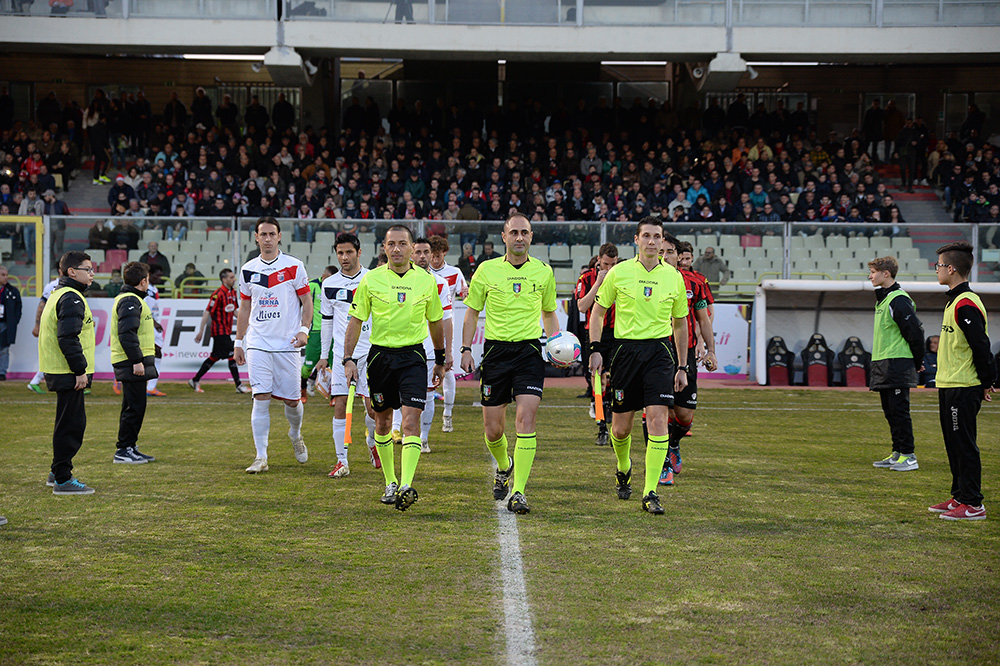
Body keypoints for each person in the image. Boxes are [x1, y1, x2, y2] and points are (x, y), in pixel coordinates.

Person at [588, 218, 689, 515]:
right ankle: (624, 467)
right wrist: (595, 349)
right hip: (625, 352)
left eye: (657, 237)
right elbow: (597, 313)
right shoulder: (618, 273)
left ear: (662, 242)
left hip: (659, 351)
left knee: (658, 421)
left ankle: (650, 492)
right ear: (636, 240)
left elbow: (681, 324)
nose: (652, 242)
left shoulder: (673, 276)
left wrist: (682, 366)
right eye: (646, 236)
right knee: (620, 430)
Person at [460, 213, 559, 514]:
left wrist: (556, 346)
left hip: (529, 352)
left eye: (524, 232)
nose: (519, 237)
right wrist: (466, 349)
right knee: (493, 431)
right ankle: (505, 465)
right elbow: (472, 312)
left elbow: (550, 313)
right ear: (503, 237)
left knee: (526, 421)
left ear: (531, 236)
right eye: (513, 232)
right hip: (495, 354)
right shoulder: (486, 271)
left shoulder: (544, 272)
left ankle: (519, 492)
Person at [344, 225, 445, 511]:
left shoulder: (426, 281)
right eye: (392, 244)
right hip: (380, 359)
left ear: (413, 248)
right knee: (383, 422)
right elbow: (355, 320)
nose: (397, 249)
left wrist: (439, 359)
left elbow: (435, 322)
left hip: (413, 357)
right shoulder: (371, 280)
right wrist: (347, 359)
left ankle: (406, 484)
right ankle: (390, 481)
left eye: (403, 243)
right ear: (384, 248)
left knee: (411, 421)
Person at [234, 217, 312, 474]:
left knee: (292, 401)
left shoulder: (294, 266)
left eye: (271, 234)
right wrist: (239, 341)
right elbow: (245, 307)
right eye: (262, 234)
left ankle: (295, 433)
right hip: (258, 343)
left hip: (288, 344)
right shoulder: (247, 269)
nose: (267, 239)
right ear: (256, 238)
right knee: (261, 397)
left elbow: (307, 302)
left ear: (279, 237)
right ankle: (261, 456)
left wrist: (303, 330)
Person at [928, 242, 995, 521]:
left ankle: (973, 502)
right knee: (953, 444)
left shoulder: (966, 303)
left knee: (964, 445)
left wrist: (987, 381)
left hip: (963, 386)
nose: (937, 270)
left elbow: (981, 346)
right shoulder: (954, 300)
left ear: (951, 268)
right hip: (949, 384)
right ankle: (959, 495)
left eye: (939, 266)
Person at [316, 233, 381, 478]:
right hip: (343, 356)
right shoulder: (329, 284)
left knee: (373, 410)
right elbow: (327, 323)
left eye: (349, 252)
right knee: (340, 406)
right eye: (340, 253)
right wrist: (325, 355)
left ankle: (372, 443)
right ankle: (341, 461)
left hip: (371, 352)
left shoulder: (373, 279)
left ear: (359, 252)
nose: (344, 257)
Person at [39, 251, 97, 495]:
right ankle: (62, 478)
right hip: (68, 373)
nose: (92, 273)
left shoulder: (60, 294)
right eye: (88, 269)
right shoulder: (71, 297)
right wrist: (79, 371)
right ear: (72, 271)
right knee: (71, 426)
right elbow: (67, 337)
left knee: (67, 423)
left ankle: (57, 472)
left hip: (63, 371)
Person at [659, 240, 717, 486]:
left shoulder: (695, 283)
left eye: (670, 252)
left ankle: (674, 443)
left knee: (684, 415)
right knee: (657, 410)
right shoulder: (643, 280)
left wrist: (710, 349)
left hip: (687, 352)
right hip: (657, 352)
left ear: (678, 255)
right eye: (661, 252)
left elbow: (703, 319)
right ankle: (662, 464)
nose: (665, 256)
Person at [868, 256, 925, 472]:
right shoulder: (883, 300)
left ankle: (909, 456)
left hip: (898, 363)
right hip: (884, 363)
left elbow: (916, 332)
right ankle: (898, 453)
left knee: (900, 411)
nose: (870, 276)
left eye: (873, 271)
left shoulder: (899, 299)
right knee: (890, 410)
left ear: (886, 274)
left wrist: (917, 361)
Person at [109, 262, 159, 465]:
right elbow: (127, 334)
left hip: (133, 362)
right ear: (143, 281)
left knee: (134, 406)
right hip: (132, 363)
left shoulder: (132, 299)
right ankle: (124, 449)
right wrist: (137, 361)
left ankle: (129, 446)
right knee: (134, 407)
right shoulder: (130, 300)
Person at [408, 237, 454, 453]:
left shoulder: (440, 283)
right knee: (401, 396)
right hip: (402, 347)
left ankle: (423, 438)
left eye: (426, 252)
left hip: (428, 350)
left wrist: (447, 352)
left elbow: (446, 320)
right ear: (411, 254)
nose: (422, 256)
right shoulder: (396, 281)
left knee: (427, 394)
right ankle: (402, 433)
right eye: (418, 252)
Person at [575, 243, 618, 447]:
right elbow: (582, 306)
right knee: (596, 379)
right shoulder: (586, 279)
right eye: (606, 264)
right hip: (594, 335)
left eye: (613, 264)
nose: (610, 268)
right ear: (599, 260)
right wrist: (598, 284)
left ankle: (616, 427)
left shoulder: (623, 276)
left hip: (618, 334)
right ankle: (601, 427)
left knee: (615, 380)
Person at [428, 235, 468, 433]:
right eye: (431, 255)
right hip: (423, 328)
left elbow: (465, 294)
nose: (434, 259)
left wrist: (466, 292)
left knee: (448, 368)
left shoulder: (454, 272)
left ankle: (447, 415)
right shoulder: (420, 273)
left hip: (445, 324)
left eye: (438, 255)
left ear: (445, 252)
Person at [189, 268, 250, 394]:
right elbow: (207, 312)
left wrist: (246, 321)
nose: (234, 279)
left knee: (214, 357)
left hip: (226, 330)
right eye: (231, 277)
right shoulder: (218, 294)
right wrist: (201, 330)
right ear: (224, 279)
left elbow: (233, 310)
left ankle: (195, 380)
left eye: (234, 277)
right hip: (219, 331)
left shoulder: (232, 292)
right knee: (232, 356)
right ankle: (238, 385)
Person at [301, 265, 336, 401]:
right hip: (315, 331)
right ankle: (302, 389)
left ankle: (334, 396)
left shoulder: (336, 287)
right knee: (308, 365)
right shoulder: (313, 285)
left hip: (333, 331)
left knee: (335, 365)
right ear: (324, 276)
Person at [27, 269, 62, 394]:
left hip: (61, 325)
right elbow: (41, 305)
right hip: (53, 326)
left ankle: (35, 381)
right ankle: (35, 381)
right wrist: (37, 325)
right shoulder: (52, 286)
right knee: (51, 354)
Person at [0, 265, 23, 381]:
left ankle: (2, 372)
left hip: (5, 324)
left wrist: (14, 321)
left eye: (6, 275)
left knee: (4, 349)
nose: (5, 278)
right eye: (3, 275)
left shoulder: (12, 291)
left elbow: (18, 307)